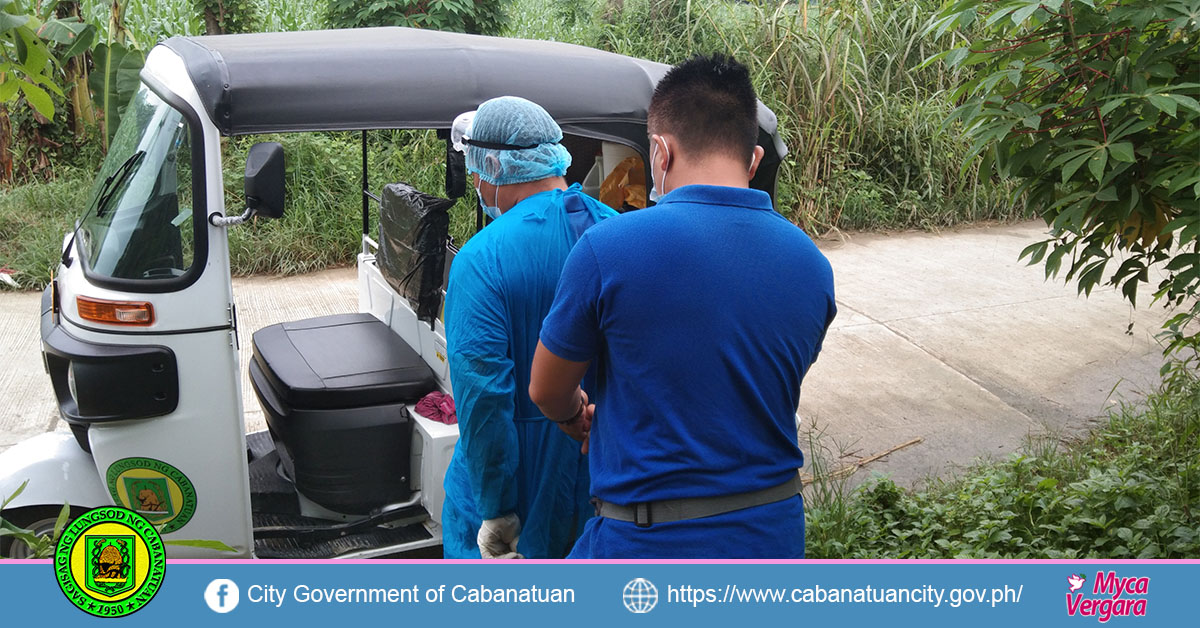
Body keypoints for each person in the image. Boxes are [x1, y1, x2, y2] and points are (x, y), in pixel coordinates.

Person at [529, 54, 837, 558]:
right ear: (754, 159)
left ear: (659, 152)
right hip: (773, 536)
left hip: (648, 546)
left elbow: (546, 389)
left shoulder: (608, 250)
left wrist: (575, 416)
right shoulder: (811, 265)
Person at [441, 96, 617, 559]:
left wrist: (496, 509)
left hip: (516, 473)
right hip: (598, 464)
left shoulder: (482, 260)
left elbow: (483, 396)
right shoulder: (620, 233)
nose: (478, 182)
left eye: (478, 170)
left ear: (495, 165)